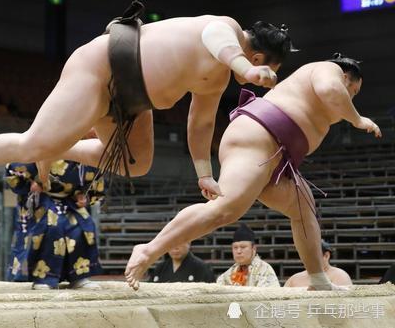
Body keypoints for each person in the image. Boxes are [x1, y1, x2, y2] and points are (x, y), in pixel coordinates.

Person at [0, 1, 295, 204]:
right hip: (103, 69)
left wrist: (205, 175)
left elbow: (200, 124)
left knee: (136, 164)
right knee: (32, 143)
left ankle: (62, 148)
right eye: (267, 69)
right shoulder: (225, 28)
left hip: (133, 102)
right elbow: (215, 38)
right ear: (260, 58)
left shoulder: (216, 79)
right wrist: (244, 67)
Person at [124, 53, 382, 291]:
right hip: (257, 137)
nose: (352, 98)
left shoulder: (325, 99)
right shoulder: (329, 70)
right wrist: (358, 119)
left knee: (304, 209)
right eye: (353, 91)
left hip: (277, 158)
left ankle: (317, 278)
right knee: (224, 209)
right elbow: (330, 89)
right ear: (346, 77)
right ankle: (148, 250)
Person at [5, 160, 104, 289]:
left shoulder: (86, 154)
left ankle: (79, 276)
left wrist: (84, 195)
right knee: (52, 228)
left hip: (70, 201)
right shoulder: (44, 144)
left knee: (83, 227)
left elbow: (95, 184)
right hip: (41, 199)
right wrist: (31, 183)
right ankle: (42, 277)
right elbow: (15, 167)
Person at [284, 240, 352, 287]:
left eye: (311, 255)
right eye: (303, 255)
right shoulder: (294, 279)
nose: (306, 258)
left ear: (326, 256)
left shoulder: (340, 276)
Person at [150, 241, 215, 283]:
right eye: (171, 243)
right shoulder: (160, 268)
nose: (175, 247)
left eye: (179, 242)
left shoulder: (202, 268)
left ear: (189, 243)